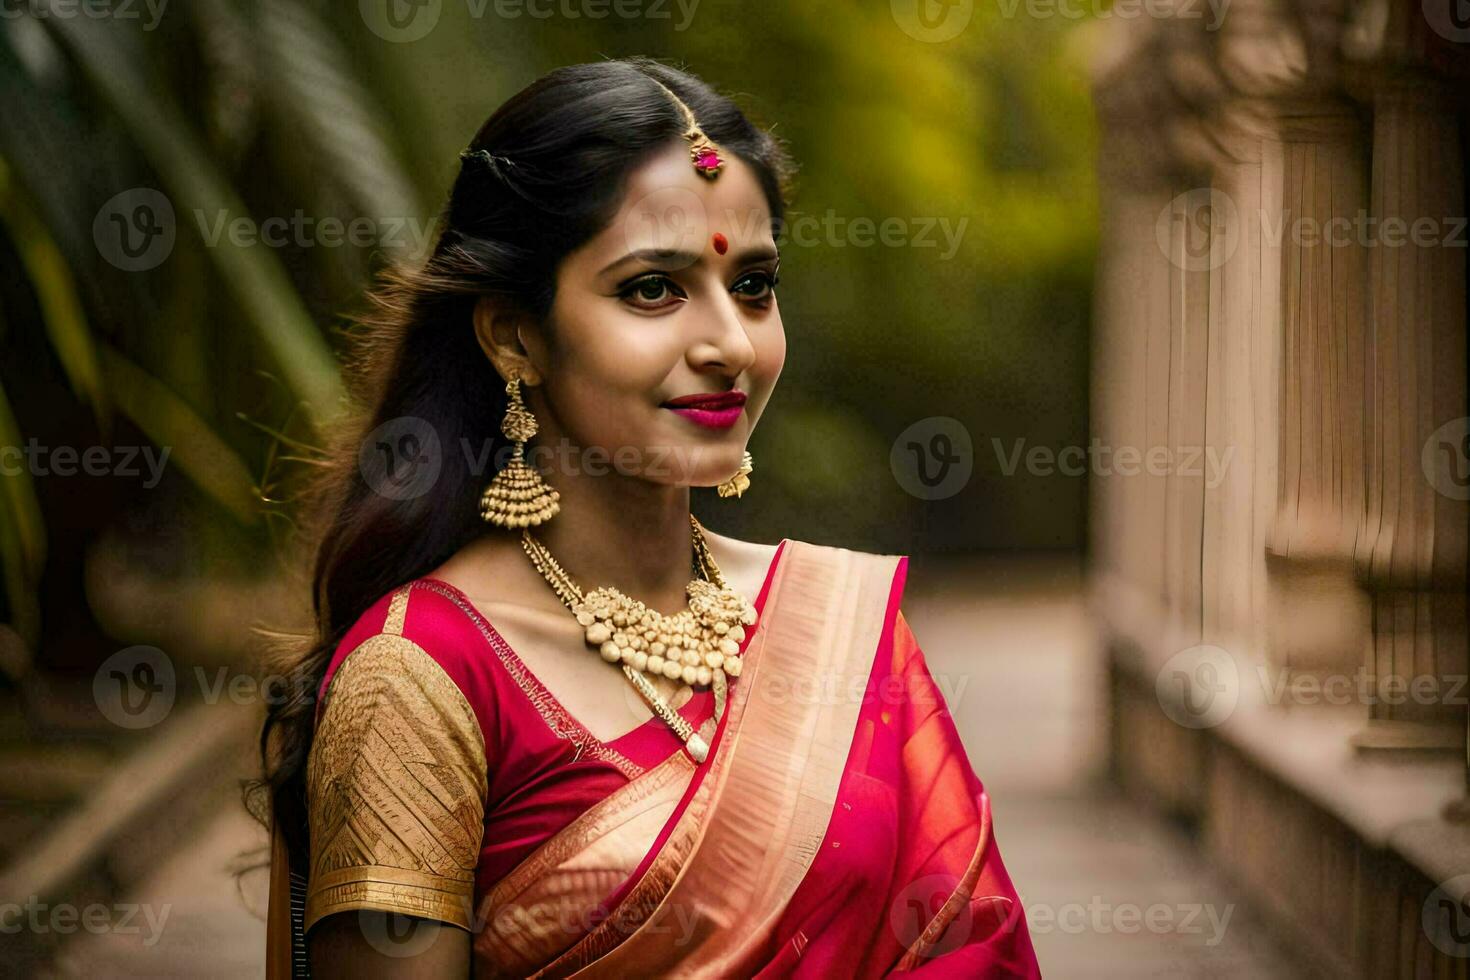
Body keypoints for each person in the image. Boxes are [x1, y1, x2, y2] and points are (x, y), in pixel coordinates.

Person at [258, 56, 1040, 978]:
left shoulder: (842, 627)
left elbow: (969, 943)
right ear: (516, 334)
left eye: (752, 285)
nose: (730, 344)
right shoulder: (420, 675)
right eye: (652, 290)